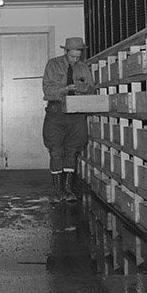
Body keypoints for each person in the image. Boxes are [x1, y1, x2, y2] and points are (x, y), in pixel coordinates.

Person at [41, 36, 95, 202]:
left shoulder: (83, 68)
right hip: (56, 112)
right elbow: (47, 91)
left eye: (78, 56)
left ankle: (68, 189)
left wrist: (82, 89)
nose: (75, 59)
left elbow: (91, 88)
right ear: (66, 52)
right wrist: (65, 89)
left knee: (72, 151)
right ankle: (57, 192)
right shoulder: (53, 64)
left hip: (76, 114)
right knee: (56, 151)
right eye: (72, 56)